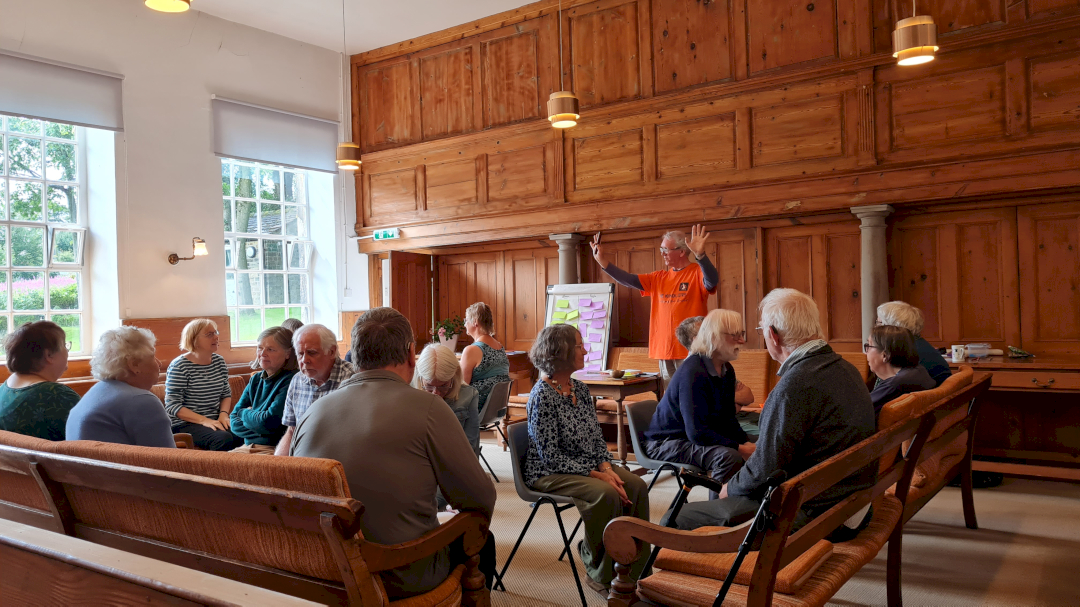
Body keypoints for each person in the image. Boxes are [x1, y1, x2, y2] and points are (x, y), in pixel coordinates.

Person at [292, 308, 496, 599]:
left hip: (324, 573)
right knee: (483, 540)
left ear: (354, 354)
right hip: (400, 573)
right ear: (411, 354)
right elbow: (480, 499)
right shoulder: (429, 407)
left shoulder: (313, 412)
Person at [673, 288, 877, 537]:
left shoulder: (796, 384)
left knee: (675, 518)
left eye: (761, 330)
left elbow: (765, 469)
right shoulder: (846, 368)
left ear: (773, 335)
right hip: (850, 502)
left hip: (814, 511)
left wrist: (730, 489)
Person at [523, 324, 650, 594]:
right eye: (580, 345)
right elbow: (551, 457)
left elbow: (595, 438)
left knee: (636, 486)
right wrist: (599, 475)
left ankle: (636, 568)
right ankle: (598, 569)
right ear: (562, 352)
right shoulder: (541, 395)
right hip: (549, 472)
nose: (586, 350)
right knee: (606, 494)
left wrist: (606, 465)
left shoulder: (579, 389)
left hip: (586, 464)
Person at [644, 309, 756, 497]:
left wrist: (745, 441)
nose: (742, 341)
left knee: (759, 447)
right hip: (666, 442)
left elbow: (727, 418)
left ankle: (739, 507)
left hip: (689, 438)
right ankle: (716, 516)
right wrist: (741, 448)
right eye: (735, 335)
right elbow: (697, 432)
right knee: (728, 457)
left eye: (741, 334)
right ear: (713, 337)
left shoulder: (727, 369)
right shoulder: (693, 371)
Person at [590, 226, 718, 386]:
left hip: (691, 347)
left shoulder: (697, 272)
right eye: (661, 249)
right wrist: (602, 262)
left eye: (666, 249)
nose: (662, 253)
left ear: (681, 251)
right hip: (664, 348)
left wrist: (701, 255)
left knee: (692, 393)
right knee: (670, 398)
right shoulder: (659, 277)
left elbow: (712, 280)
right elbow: (629, 280)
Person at [66, 326, 174, 447]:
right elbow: (168, 461)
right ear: (134, 365)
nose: (159, 364)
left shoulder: (97, 390)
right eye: (153, 356)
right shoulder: (141, 401)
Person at [274, 324, 357, 456]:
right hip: (303, 459)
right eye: (300, 354)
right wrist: (278, 465)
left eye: (312, 353)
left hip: (339, 458)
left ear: (331, 351)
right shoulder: (297, 380)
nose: (304, 360)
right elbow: (291, 431)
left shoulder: (353, 379)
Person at [165, 319, 241, 451]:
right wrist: (204, 420)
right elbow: (173, 406)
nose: (216, 337)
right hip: (185, 424)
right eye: (209, 334)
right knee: (222, 439)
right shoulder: (180, 365)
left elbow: (226, 394)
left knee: (244, 432)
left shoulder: (219, 361)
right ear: (193, 339)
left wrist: (223, 414)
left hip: (214, 418)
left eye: (216, 332)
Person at [0, 321, 79, 441]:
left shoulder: (6, 387)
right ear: (48, 355)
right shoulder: (56, 395)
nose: (67, 352)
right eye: (64, 345)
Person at [229, 326, 299, 454]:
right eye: (260, 348)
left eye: (271, 349)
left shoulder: (292, 380)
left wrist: (243, 413)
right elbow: (233, 420)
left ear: (288, 353)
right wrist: (260, 428)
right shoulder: (256, 379)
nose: (263, 354)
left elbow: (269, 423)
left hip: (275, 449)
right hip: (248, 446)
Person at [413, 343, 480, 452]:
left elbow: (470, 445)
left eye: (443, 386)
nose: (436, 393)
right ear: (420, 378)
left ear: (454, 377)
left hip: (454, 458)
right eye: (429, 386)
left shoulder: (469, 395)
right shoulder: (408, 393)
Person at [876, 301, 951, 386]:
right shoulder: (917, 343)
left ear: (892, 327)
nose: (877, 328)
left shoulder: (906, 351)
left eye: (879, 323)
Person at [866, 325, 935, 415]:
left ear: (885, 356)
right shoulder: (918, 370)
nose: (865, 352)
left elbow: (857, 413)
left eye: (869, 346)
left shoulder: (894, 385)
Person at [459, 302, 510, 408]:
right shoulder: (500, 347)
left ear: (475, 322)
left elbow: (462, 387)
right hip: (496, 409)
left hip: (475, 409)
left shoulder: (471, 350)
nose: (464, 324)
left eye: (466, 320)